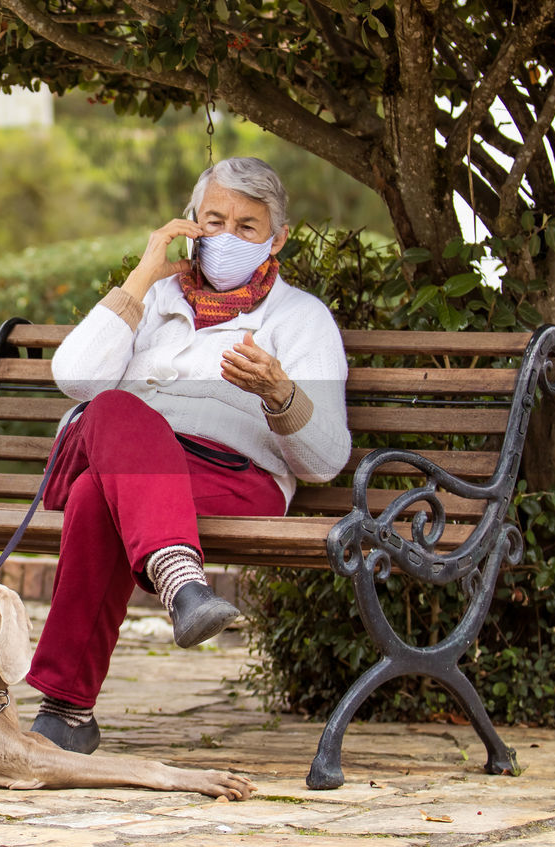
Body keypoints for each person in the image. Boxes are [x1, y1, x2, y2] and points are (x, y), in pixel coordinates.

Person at [27, 157, 352, 754]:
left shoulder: (301, 319)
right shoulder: (151, 300)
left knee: (97, 497)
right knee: (113, 411)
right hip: (112, 447)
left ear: (278, 238)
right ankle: (183, 586)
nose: (227, 237)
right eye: (214, 220)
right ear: (190, 224)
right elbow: (74, 378)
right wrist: (143, 277)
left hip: (228, 477)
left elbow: (327, 460)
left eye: (248, 227)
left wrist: (280, 393)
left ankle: (66, 712)